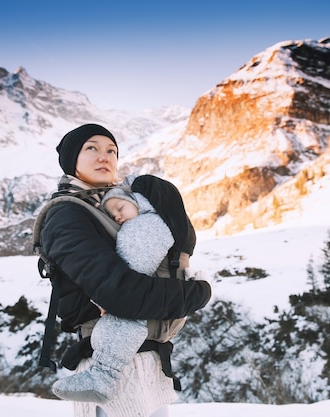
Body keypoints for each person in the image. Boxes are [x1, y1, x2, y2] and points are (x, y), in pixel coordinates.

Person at [39, 123, 211, 417]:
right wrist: (194, 295)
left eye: (111, 150)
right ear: (72, 161)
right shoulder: (66, 215)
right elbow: (122, 294)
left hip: (147, 362)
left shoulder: (117, 207)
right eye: (91, 148)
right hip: (109, 364)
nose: (104, 156)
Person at [51, 185, 182, 404]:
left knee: (124, 322)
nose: (118, 216)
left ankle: (103, 376)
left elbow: (129, 278)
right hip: (147, 345)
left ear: (139, 202)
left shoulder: (146, 227)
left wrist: (107, 297)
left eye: (120, 207)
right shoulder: (142, 224)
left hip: (139, 351)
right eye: (113, 215)